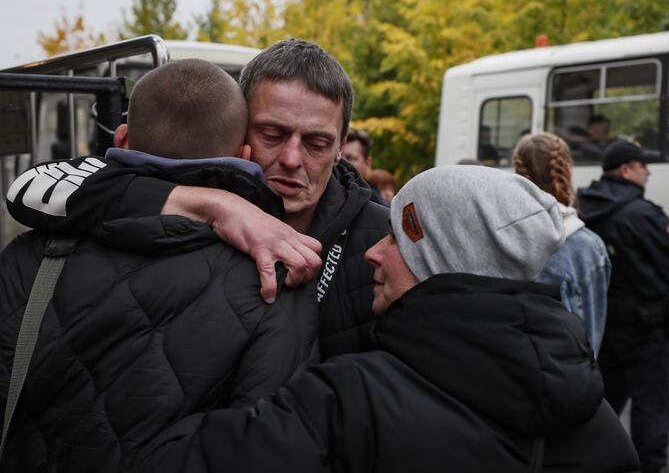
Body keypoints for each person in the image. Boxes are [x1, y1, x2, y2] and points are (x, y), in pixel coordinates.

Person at [131, 166, 640, 473]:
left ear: (439, 258)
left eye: (396, 236)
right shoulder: (601, 430)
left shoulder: (352, 403)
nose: (373, 252)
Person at [0, 60, 317, 470]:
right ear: (243, 154)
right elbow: (263, 445)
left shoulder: (30, 252)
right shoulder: (274, 279)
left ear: (123, 139)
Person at [6, 38, 390, 359]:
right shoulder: (193, 213)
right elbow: (29, 188)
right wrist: (212, 205)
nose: (291, 159)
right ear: (239, 129)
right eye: (272, 134)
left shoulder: (382, 240)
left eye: (316, 143)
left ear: (341, 147)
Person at [577, 140, 669, 473]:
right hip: (647, 327)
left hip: (602, 324)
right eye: (644, 166)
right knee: (652, 408)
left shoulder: (583, 207)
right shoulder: (642, 213)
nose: (649, 172)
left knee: (603, 403)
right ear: (627, 170)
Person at [513, 133, 610, 355]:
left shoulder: (499, 234)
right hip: (565, 378)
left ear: (518, 174)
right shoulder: (586, 247)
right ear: (567, 171)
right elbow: (590, 334)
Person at [342, 128, 388, 206]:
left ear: (367, 163)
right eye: (338, 156)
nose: (341, 162)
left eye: (350, 158)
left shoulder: (378, 208)